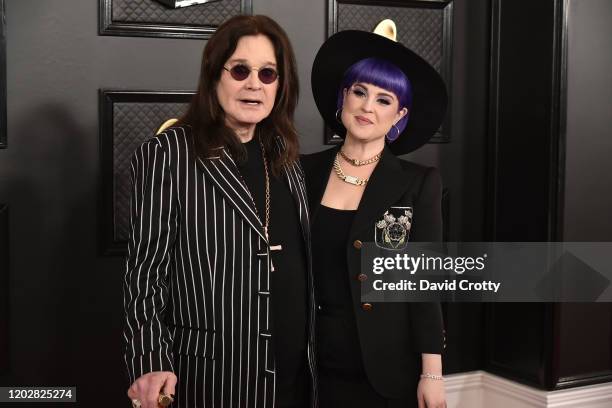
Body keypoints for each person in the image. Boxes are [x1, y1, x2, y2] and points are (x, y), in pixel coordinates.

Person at [123, 15, 315, 408]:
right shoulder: (167, 155)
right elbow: (145, 275)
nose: (253, 84)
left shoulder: (287, 157)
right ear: (215, 75)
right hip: (215, 377)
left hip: (296, 375)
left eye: (268, 74)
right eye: (241, 69)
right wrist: (150, 361)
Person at [302, 28, 448, 408]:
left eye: (384, 99)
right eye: (360, 92)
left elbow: (424, 285)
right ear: (343, 97)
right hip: (311, 367)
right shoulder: (301, 173)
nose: (368, 107)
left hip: (386, 374)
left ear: (399, 115)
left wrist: (432, 374)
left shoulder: (418, 183)